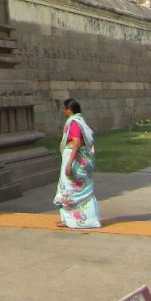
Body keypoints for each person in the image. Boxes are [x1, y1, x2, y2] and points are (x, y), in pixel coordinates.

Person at [53, 97, 101, 229]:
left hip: (75, 163)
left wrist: (69, 164)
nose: (64, 111)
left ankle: (71, 220)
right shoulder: (81, 121)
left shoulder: (74, 123)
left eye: (65, 109)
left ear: (69, 110)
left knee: (69, 191)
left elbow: (77, 143)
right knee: (78, 191)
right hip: (81, 162)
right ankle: (74, 220)